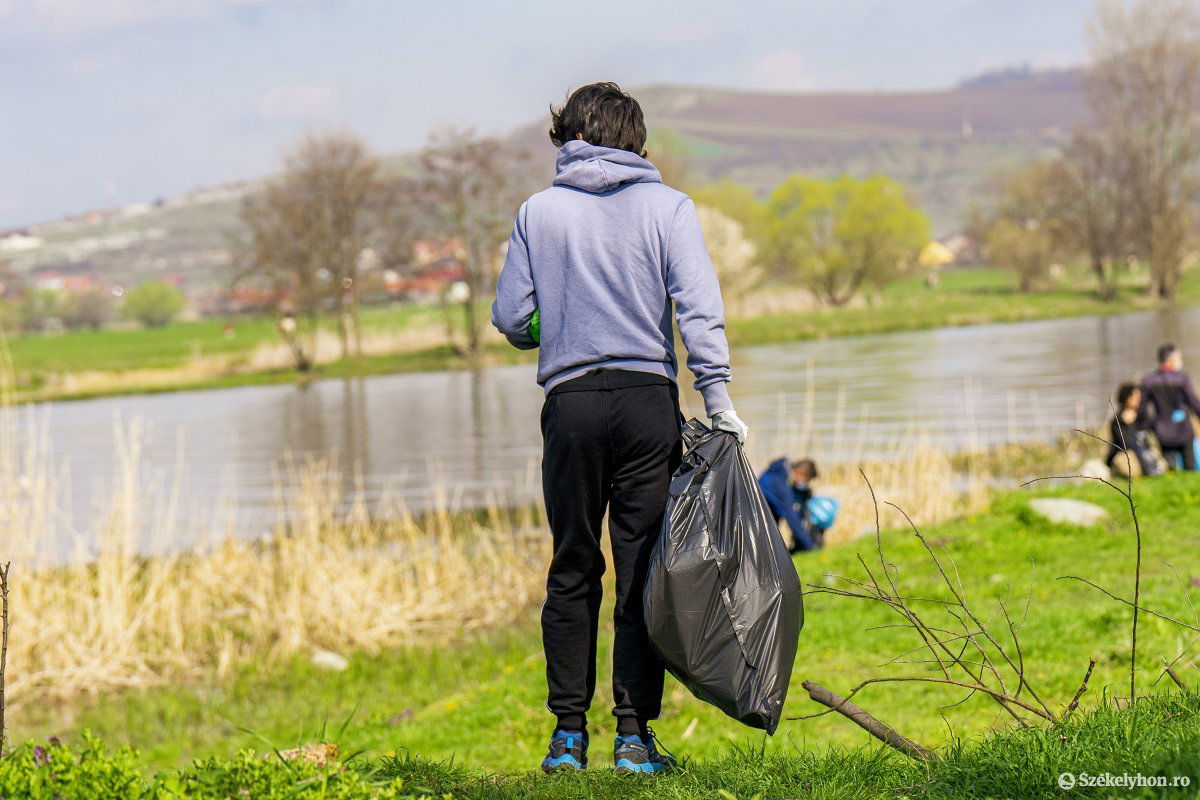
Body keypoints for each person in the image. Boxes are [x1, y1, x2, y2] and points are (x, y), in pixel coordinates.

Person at [491, 82, 748, 776]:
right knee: (641, 572)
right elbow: (698, 307)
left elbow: (512, 319)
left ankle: (566, 740)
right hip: (646, 405)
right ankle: (633, 740)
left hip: (571, 406)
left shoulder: (537, 212)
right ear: (637, 140)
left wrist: (555, 323)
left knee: (573, 566)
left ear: (567, 136)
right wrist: (718, 398)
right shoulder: (668, 208)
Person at [1140, 343, 1200, 472]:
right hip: (1184, 429)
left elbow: (1142, 408)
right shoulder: (1183, 379)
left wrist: (1149, 425)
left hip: (1163, 431)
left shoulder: (1148, 381)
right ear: (1172, 359)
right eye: (1179, 358)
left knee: (1170, 469)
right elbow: (1195, 404)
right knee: (1190, 467)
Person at [757, 457, 823, 552]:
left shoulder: (779, 474)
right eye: (806, 481)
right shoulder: (781, 486)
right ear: (800, 475)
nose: (805, 484)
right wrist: (811, 548)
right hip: (757, 520)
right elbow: (793, 521)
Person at [1104, 383, 1163, 477]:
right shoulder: (1117, 421)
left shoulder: (1143, 417)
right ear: (1126, 398)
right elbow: (1123, 443)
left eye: (1139, 397)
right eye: (1135, 397)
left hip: (1144, 451)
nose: (1138, 400)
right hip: (1127, 454)